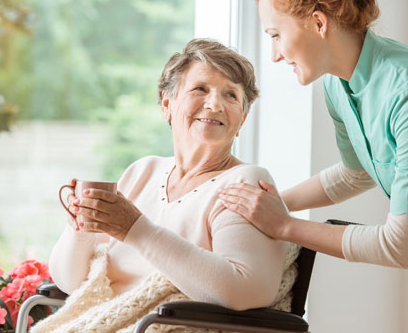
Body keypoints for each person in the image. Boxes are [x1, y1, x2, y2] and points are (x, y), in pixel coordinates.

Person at [217, 0, 408, 332]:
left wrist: (284, 225)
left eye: (275, 34)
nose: (274, 55)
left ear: (318, 23)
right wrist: (271, 203)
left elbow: (399, 247)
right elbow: (356, 173)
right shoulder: (338, 85)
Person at [35, 39, 293, 332]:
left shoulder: (244, 182)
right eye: (200, 89)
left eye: (231, 95)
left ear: (243, 118)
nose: (215, 104)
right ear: (167, 104)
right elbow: (70, 281)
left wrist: (134, 229)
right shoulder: (142, 172)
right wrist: (79, 228)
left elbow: (246, 291)